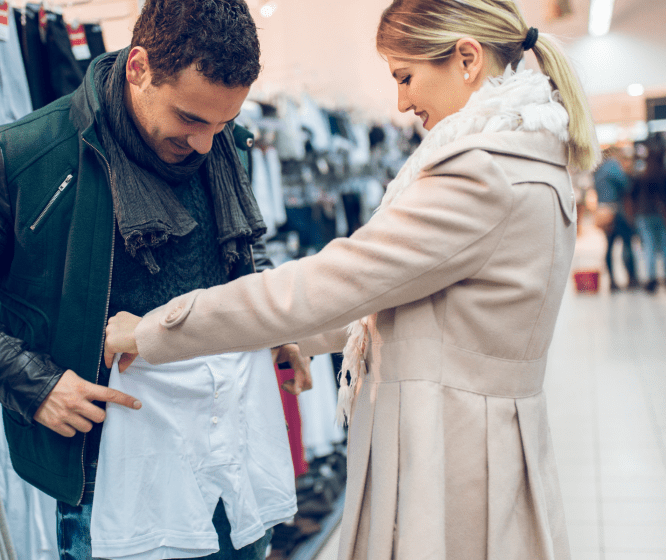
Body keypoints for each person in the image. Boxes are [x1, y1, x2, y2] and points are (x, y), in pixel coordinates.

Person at [104, 0, 601, 558]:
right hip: (470, 441)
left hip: (450, 455)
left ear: (467, 59)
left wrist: (154, 331)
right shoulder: (525, 159)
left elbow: (330, 282)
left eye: (405, 76)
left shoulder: (483, 173)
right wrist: (299, 341)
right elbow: (424, 305)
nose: (402, 101)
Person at [0, 1, 311, 559]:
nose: (206, 142)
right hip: (109, 473)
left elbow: (236, 247)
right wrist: (33, 383)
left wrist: (266, 326)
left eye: (223, 122)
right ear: (139, 66)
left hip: (228, 450)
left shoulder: (220, 145)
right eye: (191, 118)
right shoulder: (28, 153)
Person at [594, 145, 639, 290]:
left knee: (609, 246)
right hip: (616, 210)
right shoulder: (612, 166)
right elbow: (626, 184)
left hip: (603, 211)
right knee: (627, 243)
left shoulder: (599, 170)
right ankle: (632, 278)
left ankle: (612, 281)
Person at [630, 139, 666, 293]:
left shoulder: (640, 174)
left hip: (643, 215)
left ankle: (651, 280)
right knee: (664, 247)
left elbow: (632, 195)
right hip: (660, 214)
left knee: (649, 247)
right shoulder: (661, 174)